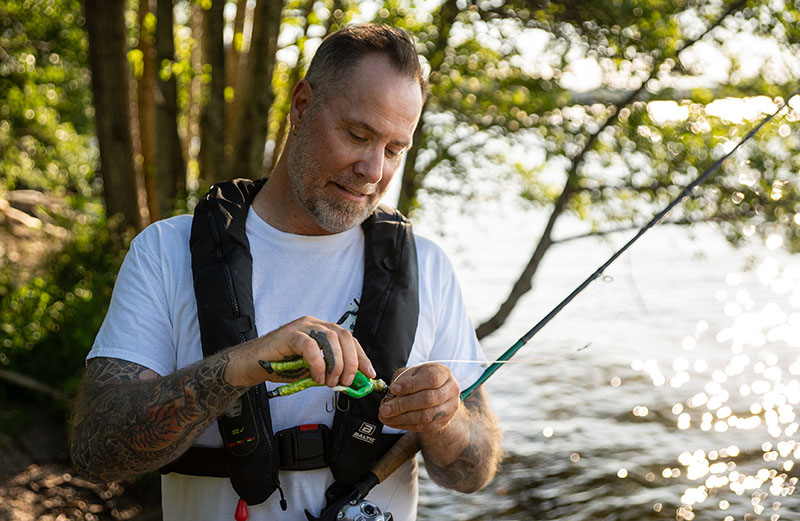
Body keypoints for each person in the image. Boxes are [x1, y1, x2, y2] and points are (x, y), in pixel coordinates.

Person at [70, 23, 502, 521]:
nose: (373, 169)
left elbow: (475, 471)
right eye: (357, 134)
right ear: (301, 106)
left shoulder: (428, 267)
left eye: (393, 150)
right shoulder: (165, 252)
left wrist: (445, 420)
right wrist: (241, 365)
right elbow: (95, 450)